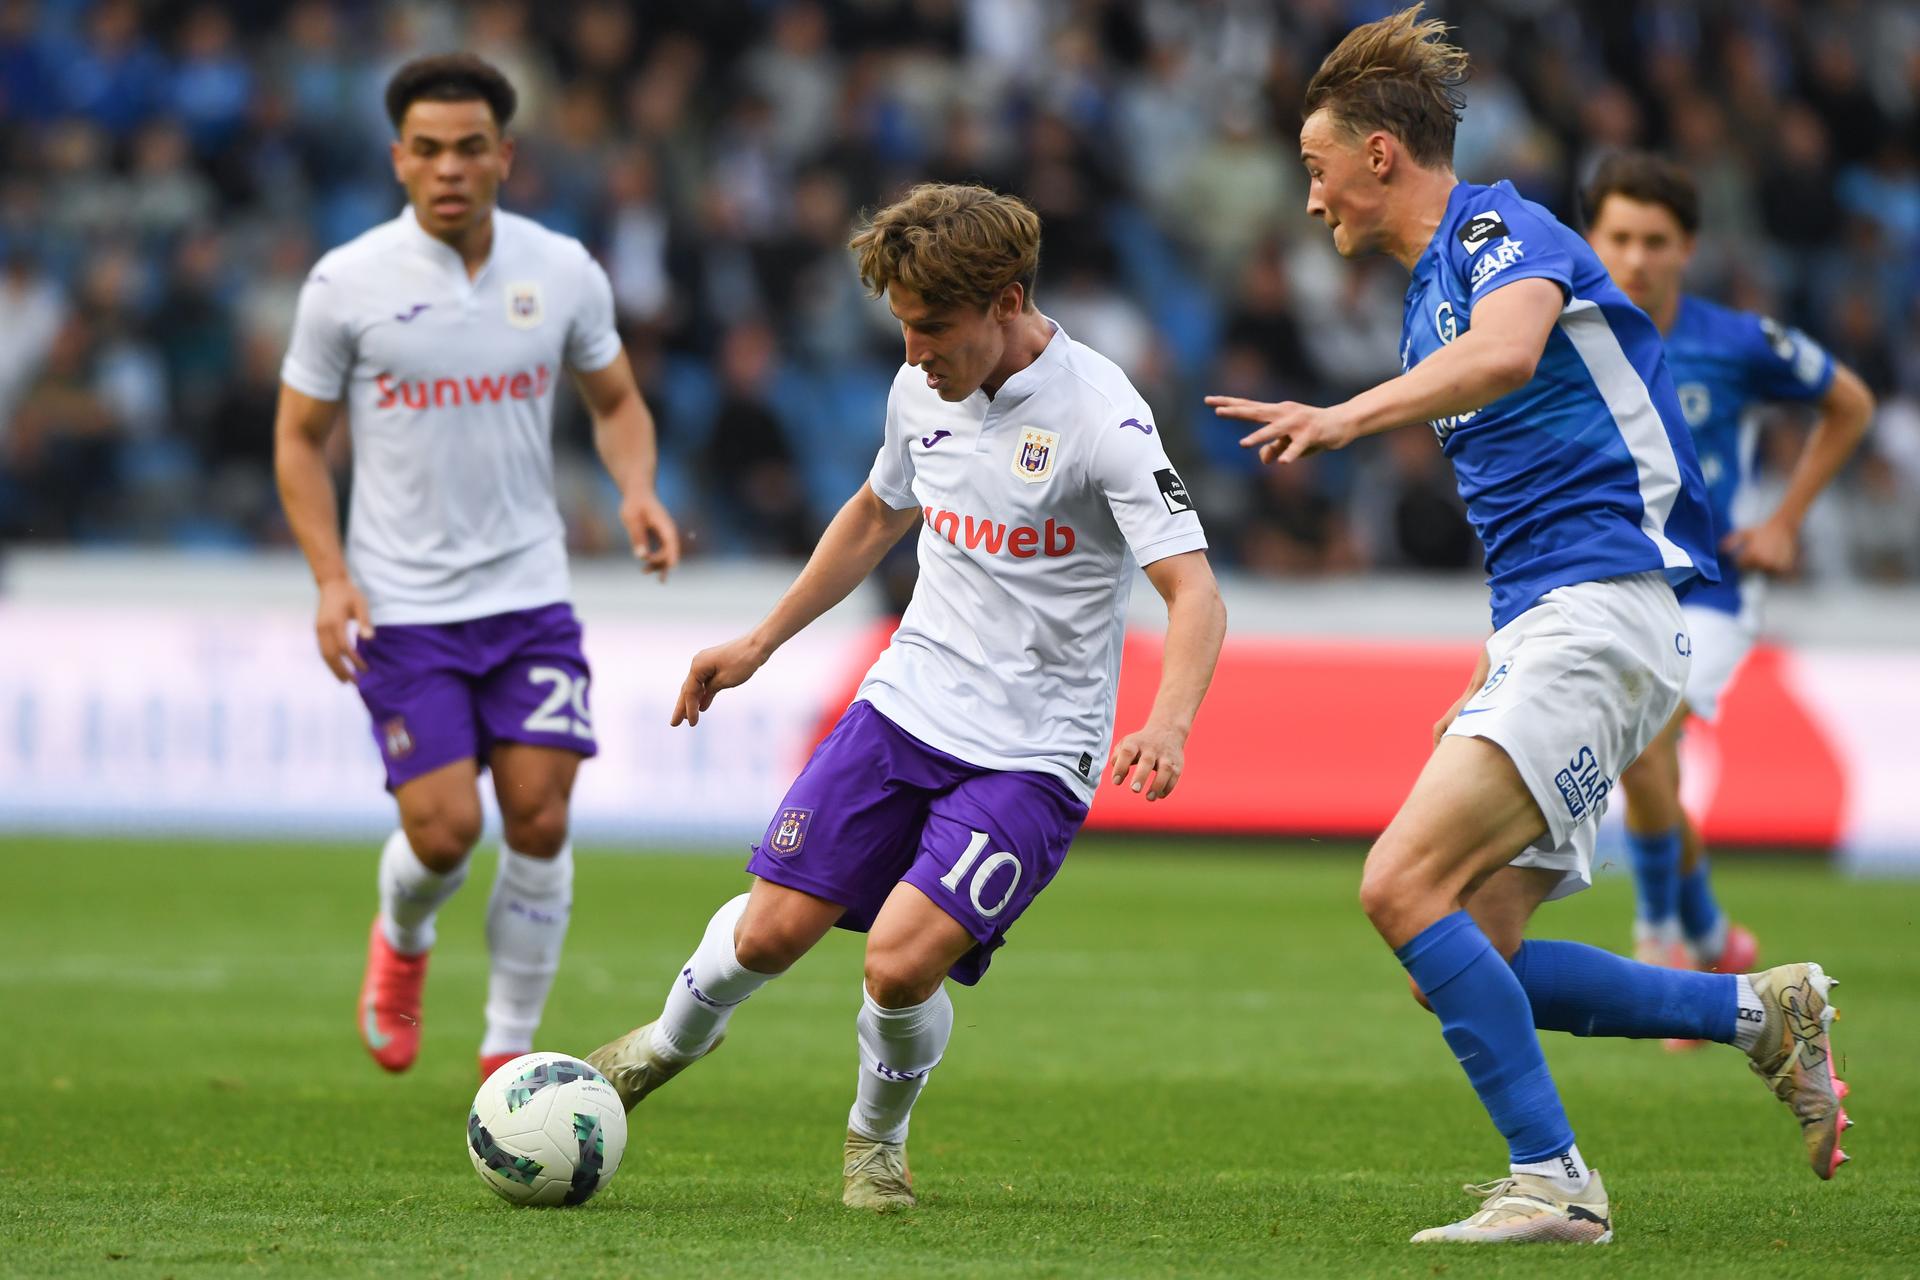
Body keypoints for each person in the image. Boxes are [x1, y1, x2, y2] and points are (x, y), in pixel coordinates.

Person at [1207, 7, 1849, 1245]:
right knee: (1463, 947)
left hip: (1609, 611)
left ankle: (1554, 1177)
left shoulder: (1504, 230)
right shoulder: (1419, 303)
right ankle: (1758, 1014)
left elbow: (1508, 356)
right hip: (1556, 622)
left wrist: (1343, 418)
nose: (1310, 198)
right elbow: (1526, 493)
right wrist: (1491, 667)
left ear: (1380, 154)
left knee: (1398, 880)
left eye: (1315, 165)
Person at [587, 182, 1226, 1212]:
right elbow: (878, 512)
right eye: (902, 326)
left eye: (933, 328)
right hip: (905, 703)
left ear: (1006, 300)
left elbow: (1193, 587)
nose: (915, 349)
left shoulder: (1101, 415)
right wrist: (760, 639)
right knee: (768, 936)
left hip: (1033, 753)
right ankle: (660, 1046)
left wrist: (1169, 719)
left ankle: (874, 1142)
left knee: (895, 964)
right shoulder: (916, 385)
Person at [274, 54, 680, 1083]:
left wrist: (635, 489)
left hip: (529, 594)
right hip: (404, 606)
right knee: (447, 830)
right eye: (427, 149)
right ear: (398, 160)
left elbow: (619, 401)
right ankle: (403, 940)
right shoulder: (346, 285)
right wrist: (330, 576)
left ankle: (510, 1048)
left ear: (505, 155)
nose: (448, 167)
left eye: (468, 147)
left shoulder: (564, 272)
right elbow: (296, 438)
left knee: (541, 814)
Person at [1582, 151, 1875, 1000]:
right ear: (1591, 241)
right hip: (1614, 584)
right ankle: (1709, 930)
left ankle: (1660, 949)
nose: (1636, 258)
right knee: (1649, 759)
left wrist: (1784, 520)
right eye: (1620, 238)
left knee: (1644, 743)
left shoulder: (1734, 341)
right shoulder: (1564, 336)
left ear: (1689, 248)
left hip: (1709, 589)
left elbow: (1849, 401)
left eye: (1656, 240)